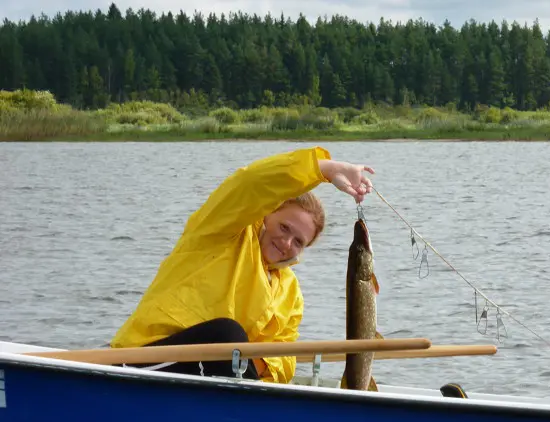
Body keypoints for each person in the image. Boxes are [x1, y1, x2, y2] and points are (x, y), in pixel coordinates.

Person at [110, 146, 374, 383]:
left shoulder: (289, 293)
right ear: (267, 214)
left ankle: (250, 417)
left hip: (204, 376)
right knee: (227, 334)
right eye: (284, 227)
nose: (286, 242)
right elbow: (250, 184)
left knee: (235, 346)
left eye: (298, 241)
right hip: (143, 361)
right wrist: (324, 169)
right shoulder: (222, 230)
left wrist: (256, 363)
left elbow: (284, 357)